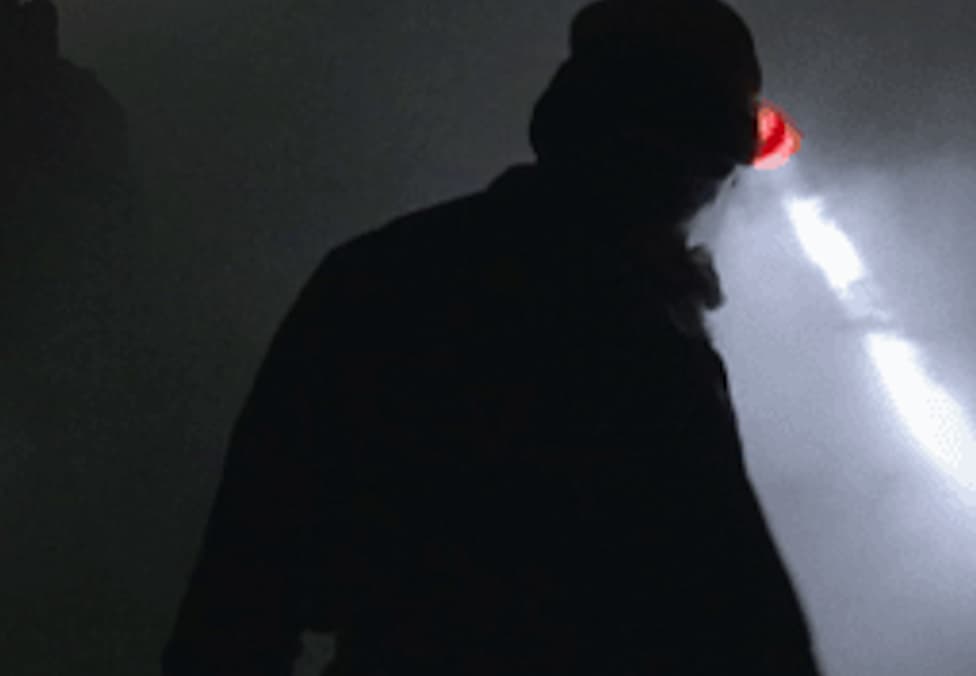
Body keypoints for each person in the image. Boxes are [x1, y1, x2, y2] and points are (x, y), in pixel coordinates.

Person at [162, 1, 819, 674]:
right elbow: (748, 620)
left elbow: (241, 589)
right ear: (685, 173)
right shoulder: (640, 340)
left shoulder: (381, 277)